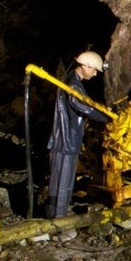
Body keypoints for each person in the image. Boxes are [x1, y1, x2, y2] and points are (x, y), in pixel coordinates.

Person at [46, 51, 111, 218]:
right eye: (94, 69)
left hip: (68, 139)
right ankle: (56, 220)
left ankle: (58, 217)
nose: (95, 73)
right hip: (65, 140)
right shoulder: (72, 85)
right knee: (61, 182)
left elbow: (85, 105)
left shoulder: (74, 82)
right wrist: (106, 118)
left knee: (65, 182)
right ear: (85, 66)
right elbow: (84, 107)